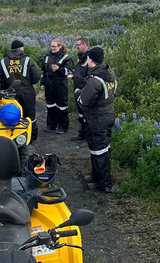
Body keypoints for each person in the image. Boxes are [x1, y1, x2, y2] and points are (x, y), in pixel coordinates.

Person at [78, 47, 117, 193]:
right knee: (103, 149)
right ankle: (96, 176)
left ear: (91, 60)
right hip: (108, 115)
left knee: (99, 151)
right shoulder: (109, 75)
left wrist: (78, 94)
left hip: (97, 119)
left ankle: (104, 185)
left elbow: (84, 101)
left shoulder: (94, 80)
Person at [0, 40, 41, 141]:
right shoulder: (28, 60)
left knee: (11, 114)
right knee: (30, 116)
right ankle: (30, 137)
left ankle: (12, 137)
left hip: (10, 92)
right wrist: (30, 83)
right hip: (27, 90)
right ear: (21, 48)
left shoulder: (3, 62)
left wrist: (5, 88)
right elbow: (37, 74)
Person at [41, 39, 74, 134]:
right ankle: (51, 125)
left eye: (54, 46)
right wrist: (42, 83)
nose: (52, 48)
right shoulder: (47, 57)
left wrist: (59, 69)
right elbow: (44, 71)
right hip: (49, 85)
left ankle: (63, 126)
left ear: (60, 47)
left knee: (62, 106)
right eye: (51, 46)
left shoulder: (66, 58)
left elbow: (69, 71)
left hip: (60, 85)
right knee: (50, 106)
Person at [71, 37, 90, 141]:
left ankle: (89, 138)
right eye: (76, 45)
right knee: (81, 114)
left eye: (79, 45)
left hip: (85, 90)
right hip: (77, 90)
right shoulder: (80, 57)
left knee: (87, 115)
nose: (77, 47)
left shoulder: (90, 58)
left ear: (85, 45)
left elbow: (90, 75)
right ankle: (82, 134)